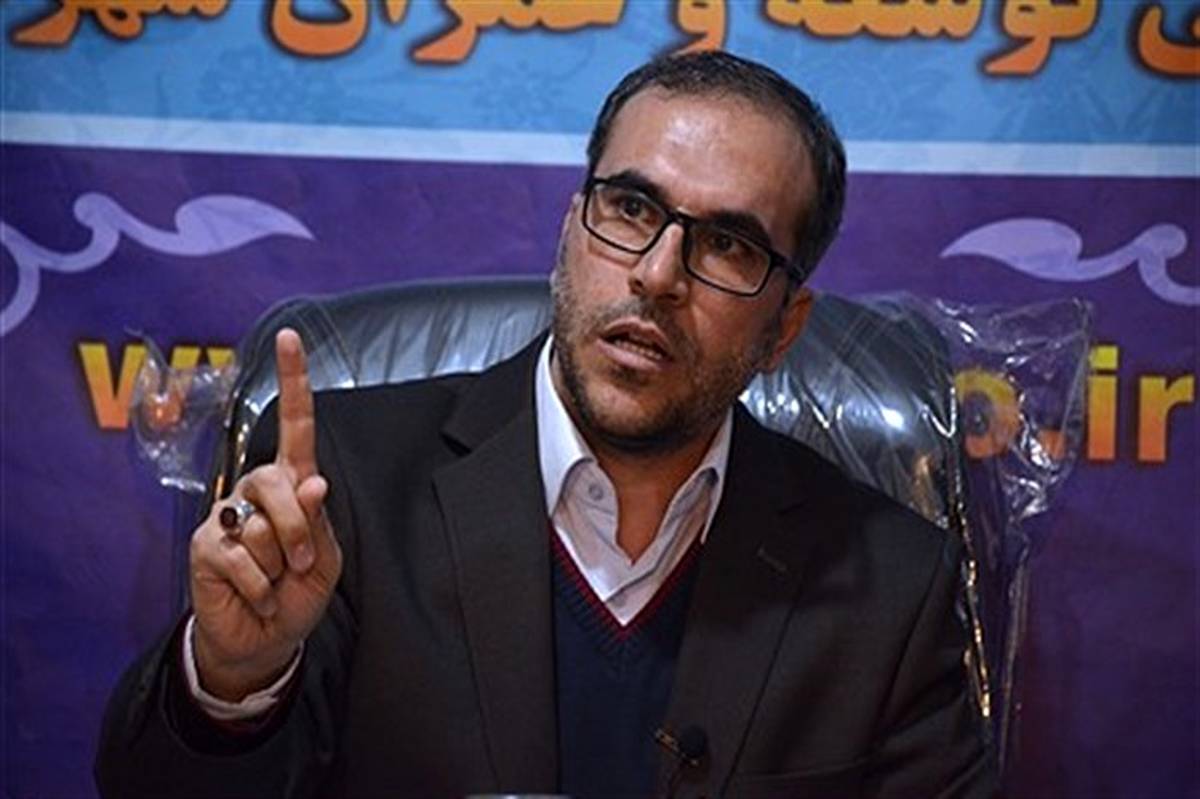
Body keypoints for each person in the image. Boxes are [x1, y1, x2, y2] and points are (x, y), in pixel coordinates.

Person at [96, 51, 999, 798]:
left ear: (784, 328)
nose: (657, 274)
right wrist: (235, 682)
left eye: (727, 245)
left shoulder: (888, 586)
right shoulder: (348, 484)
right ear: (571, 231)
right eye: (631, 209)